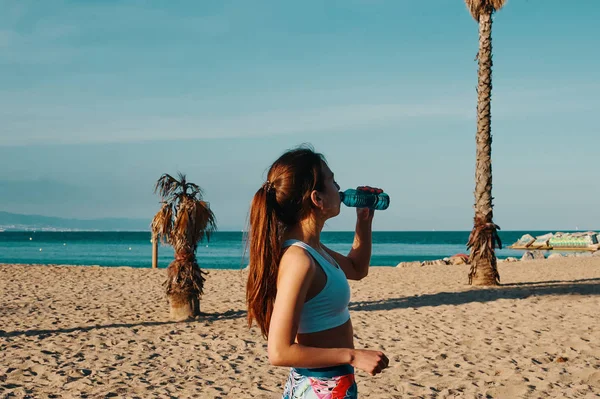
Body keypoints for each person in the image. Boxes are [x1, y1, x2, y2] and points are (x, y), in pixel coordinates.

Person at [245, 145, 389, 398]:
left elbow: (357, 269)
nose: (340, 189)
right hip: (320, 385)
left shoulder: (313, 249)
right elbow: (279, 352)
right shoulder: (299, 260)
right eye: (333, 181)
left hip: (330, 382)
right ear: (317, 198)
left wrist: (363, 221)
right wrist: (353, 355)